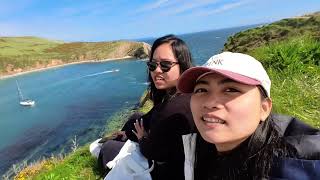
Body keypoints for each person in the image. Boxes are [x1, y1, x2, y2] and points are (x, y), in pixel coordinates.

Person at [177, 52, 320, 179]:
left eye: (231, 89)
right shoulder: (200, 152)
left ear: (264, 108)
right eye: (201, 89)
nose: (209, 102)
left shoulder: (292, 170)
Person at [98, 34, 195, 179]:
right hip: (171, 156)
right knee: (136, 117)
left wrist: (142, 138)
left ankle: (121, 141)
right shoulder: (184, 96)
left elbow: (153, 152)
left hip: (166, 171)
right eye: (152, 65)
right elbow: (150, 118)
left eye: (165, 65)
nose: (156, 70)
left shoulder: (172, 109)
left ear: (182, 65)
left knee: (108, 149)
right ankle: (124, 135)